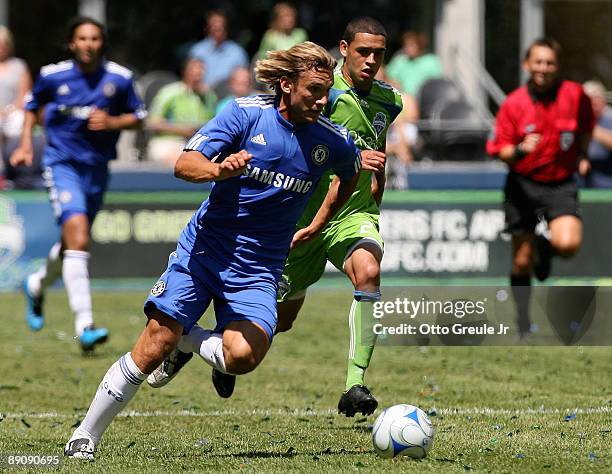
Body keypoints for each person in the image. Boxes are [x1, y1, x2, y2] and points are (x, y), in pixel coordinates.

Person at [64, 41, 361, 460]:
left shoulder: (332, 140)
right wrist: (217, 169)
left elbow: (347, 176)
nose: (321, 99)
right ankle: (85, 436)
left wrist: (318, 223)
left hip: (258, 268)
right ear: (285, 84)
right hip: (204, 252)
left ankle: (188, 340)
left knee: (242, 356)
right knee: (152, 345)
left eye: (325, 90)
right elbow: (185, 163)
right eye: (313, 89)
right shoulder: (244, 113)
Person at [275, 17, 402, 417]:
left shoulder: (389, 100)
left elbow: (375, 146)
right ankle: (209, 346)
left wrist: (376, 179)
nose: (370, 61)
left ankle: (355, 384)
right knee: (277, 323)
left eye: (378, 54)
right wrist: (348, 157)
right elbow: (294, 140)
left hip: (352, 213)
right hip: (305, 218)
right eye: (363, 51)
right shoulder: (322, 93)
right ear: (344, 49)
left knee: (368, 272)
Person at [10, 17, 146, 350]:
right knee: (79, 237)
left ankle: (37, 284)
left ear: (102, 43)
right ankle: (85, 324)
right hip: (61, 164)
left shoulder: (120, 78)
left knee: (73, 242)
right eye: (82, 38)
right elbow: (31, 107)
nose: (88, 44)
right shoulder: (52, 75)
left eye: (95, 38)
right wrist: (27, 144)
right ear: (72, 44)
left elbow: (139, 118)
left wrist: (113, 121)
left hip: (96, 169)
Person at [486, 38, 593, 337]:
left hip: (560, 183)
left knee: (568, 244)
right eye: (538, 62)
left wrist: (582, 154)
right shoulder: (513, 104)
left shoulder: (575, 95)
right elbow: (498, 150)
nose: (543, 68)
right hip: (522, 184)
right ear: (527, 65)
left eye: (549, 63)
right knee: (520, 261)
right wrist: (520, 149)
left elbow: (586, 126)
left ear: (557, 66)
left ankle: (543, 250)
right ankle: (523, 321)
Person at [146, 58, 216, 166]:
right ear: (185, 73)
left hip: (199, 143)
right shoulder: (170, 92)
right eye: (194, 73)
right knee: (179, 162)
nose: (197, 77)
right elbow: (152, 123)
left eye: (200, 74)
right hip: (169, 141)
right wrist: (181, 130)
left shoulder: (209, 97)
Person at [189, 10, 249, 89]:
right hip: (202, 96)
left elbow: (244, 79)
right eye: (214, 27)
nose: (217, 30)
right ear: (207, 28)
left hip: (229, 97)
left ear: (226, 28)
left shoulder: (237, 52)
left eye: (221, 27)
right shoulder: (197, 51)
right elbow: (189, 78)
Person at [386, 31, 442, 97]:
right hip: (404, 99)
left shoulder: (431, 61)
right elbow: (388, 77)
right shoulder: (400, 60)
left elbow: (437, 83)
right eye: (406, 45)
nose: (408, 48)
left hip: (424, 99)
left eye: (411, 45)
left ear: (420, 45)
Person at [582, 80, 612, 188]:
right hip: (584, 184)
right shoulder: (579, 120)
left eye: (596, 98)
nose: (593, 102)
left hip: (607, 185)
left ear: (604, 100)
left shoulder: (609, 117)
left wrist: (591, 128)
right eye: (588, 99)